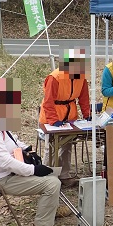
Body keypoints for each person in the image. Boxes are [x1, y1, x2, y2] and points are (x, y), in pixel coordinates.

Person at [0, 130, 70, 226]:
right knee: (52, 183)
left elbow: (13, 141)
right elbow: (5, 162)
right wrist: (33, 169)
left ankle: (51, 210)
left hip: (6, 173)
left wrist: (28, 150)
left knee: (50, 175)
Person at [39, 49, 91, 186]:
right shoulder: (54, 77)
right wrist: (53, 120)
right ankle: (45, 179)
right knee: (50, 148)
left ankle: (64, 175)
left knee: (67, 146)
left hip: (70, 116)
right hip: (52, 116)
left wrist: (87, 115)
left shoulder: (82, 77)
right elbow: (48, 101)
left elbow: (84, 98)